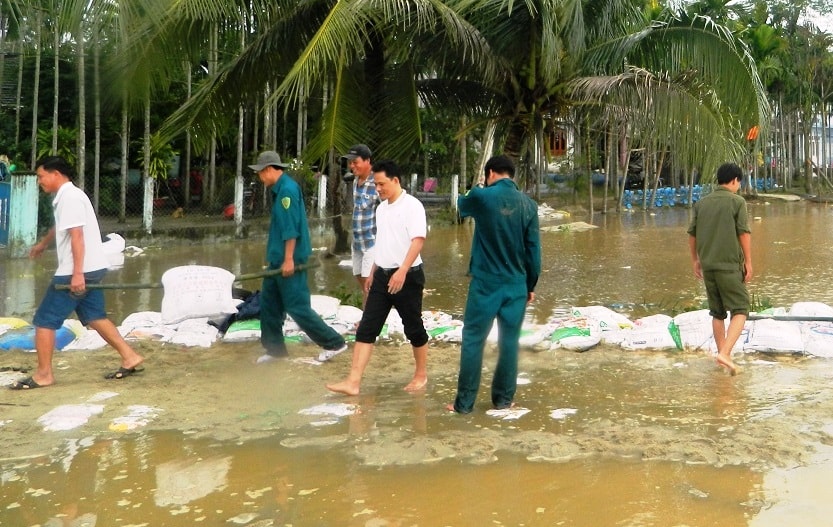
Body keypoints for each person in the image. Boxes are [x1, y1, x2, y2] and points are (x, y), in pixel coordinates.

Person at [10, 156, 145, 390]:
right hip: (91, 267)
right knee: (94, 317)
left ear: (56, 174)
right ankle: (130, 356)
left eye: (41, 177)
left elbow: (77, 237)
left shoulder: (70, 198)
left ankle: (44, 375)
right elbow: (61, 226)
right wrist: (43, 243)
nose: (40, 182)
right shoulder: (67, 197)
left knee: (44, 321)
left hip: (77, 270)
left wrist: (77, 274)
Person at [447, 155, 541, 414]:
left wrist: (478, 187)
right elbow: (534, 252)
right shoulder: (529, 205)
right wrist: (530, 285)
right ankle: (503, 401)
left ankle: (464, 405)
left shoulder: (482, 197)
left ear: (490, 173)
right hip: (516, 285)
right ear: (512, 175)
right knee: (510, 342)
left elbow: (461, 203)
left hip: (485, 284)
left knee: (473, 340)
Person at [326, 160, 429, 396]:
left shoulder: (412, 206)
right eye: (375, 185)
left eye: (381, 184)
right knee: (367, 327)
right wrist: (373, 272)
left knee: (413, 328)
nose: (378, 189)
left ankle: (421, 374)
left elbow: (418, 240)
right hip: (382, 275)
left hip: (408, 276)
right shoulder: (381, 209)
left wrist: (402, 271)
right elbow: (381, 243)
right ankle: (353, 381)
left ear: (395, 180)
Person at [248, 151, 347, 363]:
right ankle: (275, 350)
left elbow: (291, 229)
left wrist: (289, 259)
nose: (259, 177)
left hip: (289, 260)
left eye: (260, 173)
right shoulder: (279, 190)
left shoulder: (287, 192)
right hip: (276, 260)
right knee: (269, 305)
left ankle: (334, 343)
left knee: (297, 307)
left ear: (268, 170)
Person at [687, 162, 751, 376]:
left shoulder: (702, 203)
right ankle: (724, 353)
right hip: (728, 265)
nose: (738, 187)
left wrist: (695, 260)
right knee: (741, 309)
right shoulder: (737, 202)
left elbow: (692, 234)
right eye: (738, 183)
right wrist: (748, 262)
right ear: (734, 180)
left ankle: (723, 358)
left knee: (718, 312)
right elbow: (743, 233)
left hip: (708, 265)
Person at [343, 144, 379, 309]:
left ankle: (366, 321)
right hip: (357, 241)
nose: (352, 166)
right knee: (359, 276)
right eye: (350, 162)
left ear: (367, 161)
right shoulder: (356, 181)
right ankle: (375, 310)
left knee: (368, 284)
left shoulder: (377, 182)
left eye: (355, 162)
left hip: (372, 241)